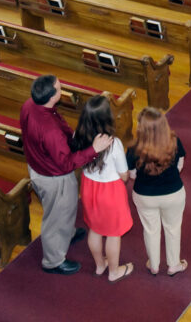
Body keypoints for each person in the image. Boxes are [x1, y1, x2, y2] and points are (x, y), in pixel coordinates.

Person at [20, 74, 111, 274]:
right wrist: (93, 149)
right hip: (54, 178)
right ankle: (53, 261)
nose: (62, 89)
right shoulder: (50, 132)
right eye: (59, 88)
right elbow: (67, 164)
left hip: (38, 165)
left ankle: (67, 233)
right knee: (56, 217)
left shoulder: (29, 105)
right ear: (52, 97)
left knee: (64, 211)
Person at [70, 95, 134, 281]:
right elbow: (124, 174)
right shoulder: (113, 143)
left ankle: (100, 265)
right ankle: (114, 272)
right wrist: (124, 177)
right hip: (110, 190)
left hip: (89, 187)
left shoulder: (78, 135)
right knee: (114, 233)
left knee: (95, 229)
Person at [126, 107, 187, 276]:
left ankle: (153, 264)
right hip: (173, 193)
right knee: (173, 228)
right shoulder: (174, 141)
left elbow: (132, 174)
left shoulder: (134, 148)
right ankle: (174, 264)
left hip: (145, 195)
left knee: (150, 229)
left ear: (141, 128)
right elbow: (180, 165)